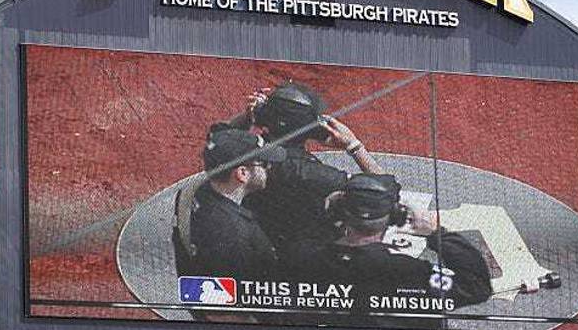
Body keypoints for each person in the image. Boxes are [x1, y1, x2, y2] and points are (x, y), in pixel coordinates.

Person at [284, 174, 493, 317]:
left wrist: (326, 219)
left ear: (337, 211)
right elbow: (476, 286)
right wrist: (436, 233)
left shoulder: (301, 257)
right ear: (395, 217)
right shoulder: (409, 270)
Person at [216, 82, 384, 248]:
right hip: (299, 252)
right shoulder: (316, 174)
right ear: (313, 129)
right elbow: (384, 190)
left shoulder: (238, 151)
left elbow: (218, 136)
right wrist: (354, 145)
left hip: (250, 238)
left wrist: (248, 118)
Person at [173, 128, 287, 279]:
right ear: (242, 173)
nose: (269, 167)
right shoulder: (235, 238)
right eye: (264, 163)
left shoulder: (192, 192)